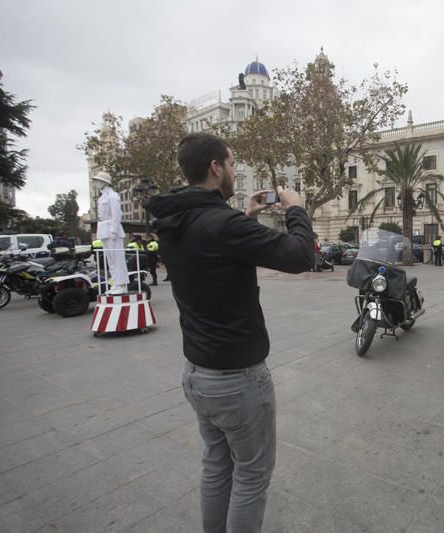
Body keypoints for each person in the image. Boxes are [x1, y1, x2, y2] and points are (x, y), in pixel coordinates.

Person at [144, 132, 314, 533]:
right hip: (237, 379)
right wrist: (296, 211)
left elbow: (212, 250)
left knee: (216, 464)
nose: (236, 172)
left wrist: (247, 217)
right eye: (234, 164)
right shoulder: (222, 223)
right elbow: (300, 256)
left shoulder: (173, 220)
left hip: (196, 371)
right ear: (216, 168)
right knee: (252, 475)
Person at [93, 171, 129, 295]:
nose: (96, 183)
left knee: (117, 258)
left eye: (98, 181)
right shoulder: (103, 197)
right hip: (104, 229)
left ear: (104, 182)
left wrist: (114, 230)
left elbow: (117, 214)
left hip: (112, 230)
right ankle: (115, 282)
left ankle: (121, 284)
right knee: (110, 260)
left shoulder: (112, 196)